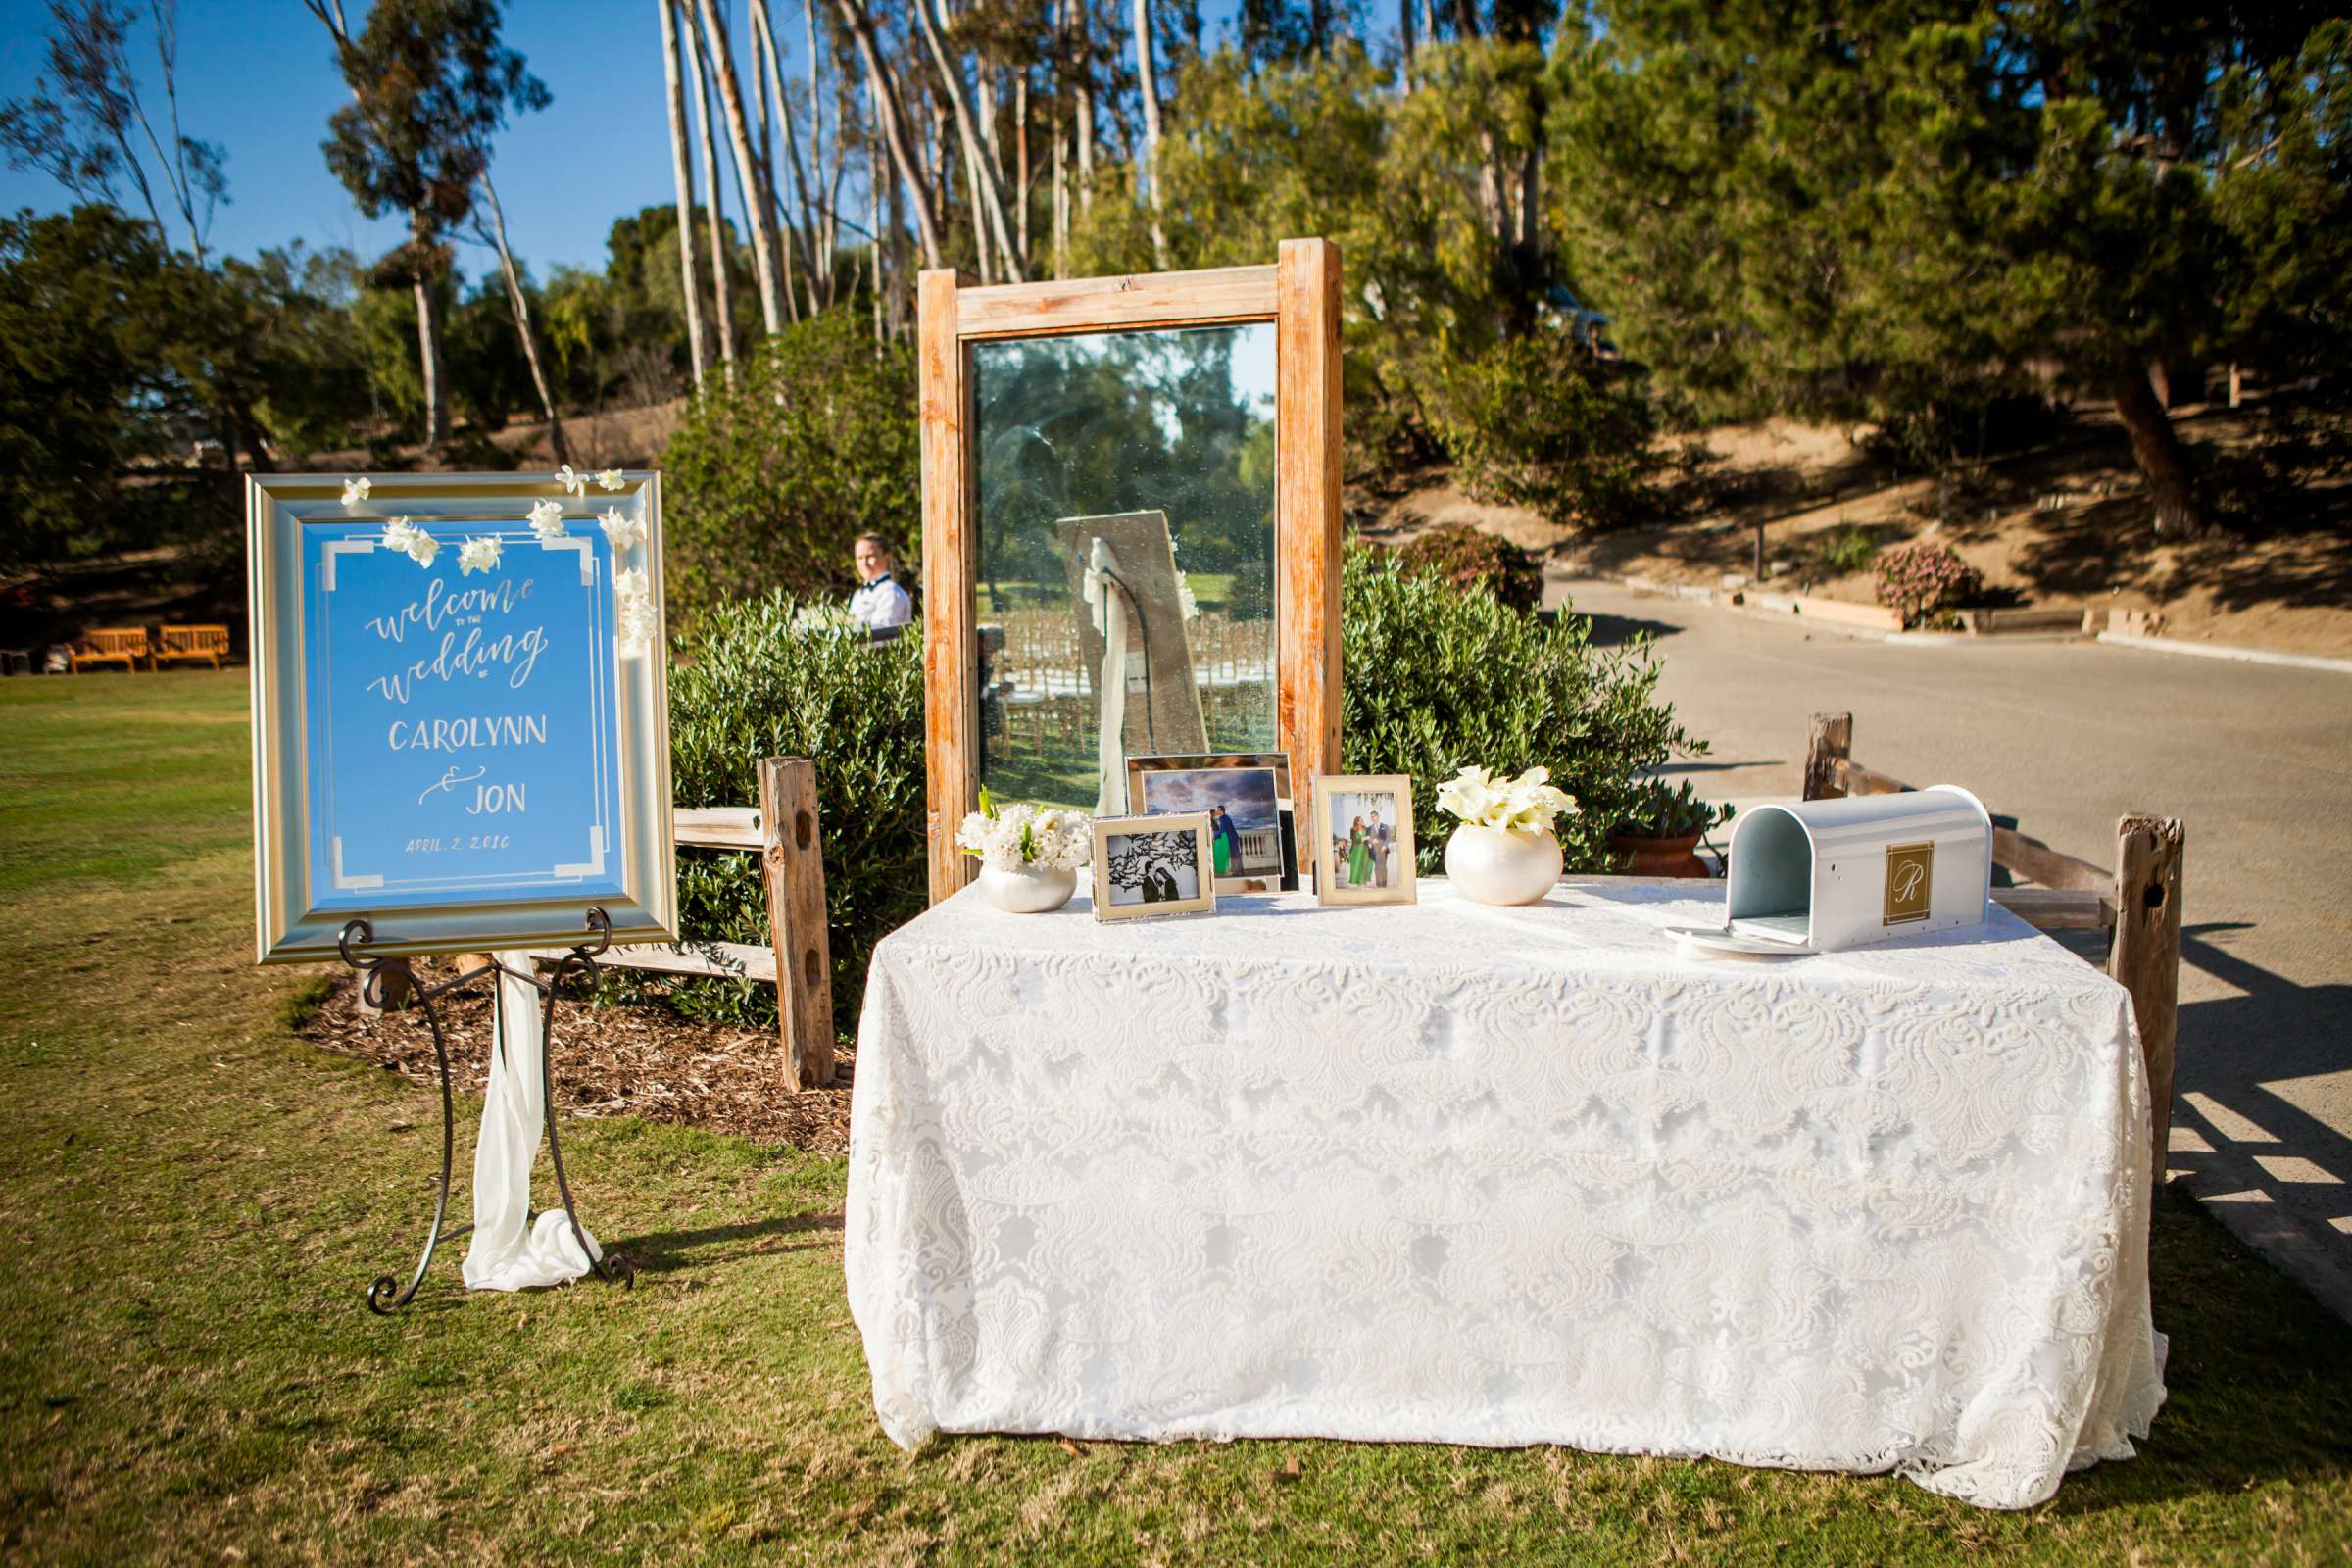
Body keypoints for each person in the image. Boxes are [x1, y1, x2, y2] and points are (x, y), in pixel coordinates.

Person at [848, 533, 913, 633]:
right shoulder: (859, 594)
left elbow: (882, 636)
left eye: (870, 556)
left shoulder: (891, 592)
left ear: (886, 557)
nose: (864, 563)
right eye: (860, 558)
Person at [1210, 805, 1241, 877]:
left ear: (1221, 811)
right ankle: (1235, 871)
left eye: (1218, 810)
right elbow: (1221, 829)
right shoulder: (1224, 817)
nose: (1217, 812)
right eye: (1216, 811)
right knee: (1232, 855)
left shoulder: (1222, 818)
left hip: (1231, 838)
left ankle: (1237, 871)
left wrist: (1214, 834)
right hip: (1229, 838)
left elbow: (1222, 830)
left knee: (1234, 855)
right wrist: (1214, 834)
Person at [1367, 808, 1393, 888]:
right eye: (1371, 817)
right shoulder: (1369, 828)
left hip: (1383, 850)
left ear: (1378, 817)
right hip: (1374, 851)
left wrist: (1385, 845)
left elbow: (1388, 837)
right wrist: (1371, 842)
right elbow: (1368, 839)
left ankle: (1384, 883)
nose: (1373, 818)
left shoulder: (1385, 826)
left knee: (1383, 866)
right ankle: (1378, 884)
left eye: (1374, 816)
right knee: (1377, 866)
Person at [1347, 815, 1372, 886]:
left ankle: (1364, 880)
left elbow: (1369, 838)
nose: (1362, 821)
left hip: (1365, 849)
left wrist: (1369, 843)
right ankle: (1359, 882)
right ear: (1357, 822)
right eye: (1360, 820)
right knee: (1358, 865)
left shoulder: (1366, 829)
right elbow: (1354, 840)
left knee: (1365, 864)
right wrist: (1363, 839)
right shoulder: (1352, 829)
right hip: (1356, 850)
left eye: (1362, 820)